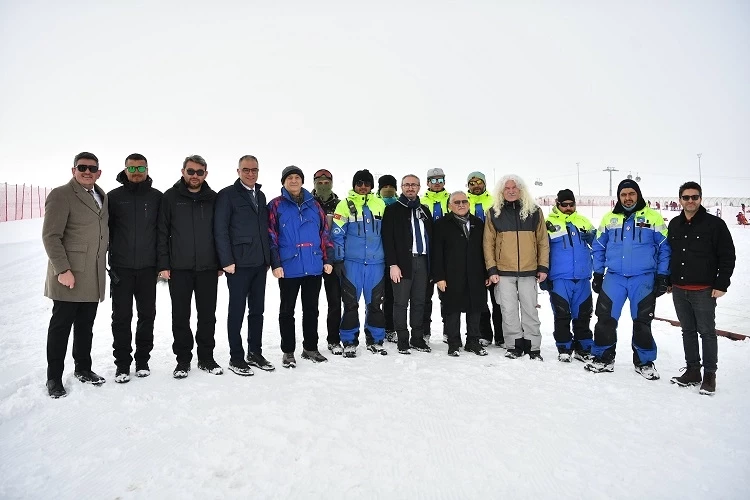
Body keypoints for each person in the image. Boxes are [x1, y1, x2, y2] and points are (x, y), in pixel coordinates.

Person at [584, 179, 671, 380]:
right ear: (619, 197)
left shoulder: (653, 217)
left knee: (642, 321)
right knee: (605, 318)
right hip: (614, 277)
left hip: (643, 278)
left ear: (638, 194)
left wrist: (663, 275)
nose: (628, 198)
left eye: (631, 193)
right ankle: (604, 358)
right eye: (623, 194)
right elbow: (598, 246)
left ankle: (644, 362)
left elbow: (665, 247)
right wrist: (598, 273)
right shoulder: (609, 218)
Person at [42, 152, 109, 398]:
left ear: (98, 172)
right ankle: (54, 378)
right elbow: (51, 236)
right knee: (61, 328)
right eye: (82, 167)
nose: (87, 171)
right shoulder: (61, 195)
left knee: (85, 326)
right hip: (69, 275)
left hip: (92, 275)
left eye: (92, 168)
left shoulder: (102, 196)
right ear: (73, 170)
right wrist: (63, 270)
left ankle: (83, 368)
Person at [158, 155, 223, 379]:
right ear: (183, 171)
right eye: (191, 171)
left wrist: (221, 262)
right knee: (180, 316)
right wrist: (164, 264)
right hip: (179, 268)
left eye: (199, 172)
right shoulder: (170, 197)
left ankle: (206, 358)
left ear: (206, 173)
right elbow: (161, 233)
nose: (195, 176)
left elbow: (220, 233)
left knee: (207, 315)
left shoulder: (213, 198)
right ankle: (183, 360)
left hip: (207, 268)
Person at [668, 182, 735, 395]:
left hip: (704, 290)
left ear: (700, 199)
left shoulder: (715, 225)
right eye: (686, 197)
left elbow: (727, 256)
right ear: (680, 199)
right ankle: (692, 371)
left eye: (694, 197)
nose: (690, 201)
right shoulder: (675, 224)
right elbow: (671, 254)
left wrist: (721, 283)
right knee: (687, 330)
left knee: (706, 332)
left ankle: (709, 376)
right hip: (679, 289)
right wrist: (669, 281)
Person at [268, 166, 334, 368]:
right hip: (289, 267)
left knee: (312, 309)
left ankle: (310, 348)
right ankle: (288, 351)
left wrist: (328, 259)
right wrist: (276, 263)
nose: (294, 181)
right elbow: (271, 236)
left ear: (303, 181)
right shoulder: (275, 205)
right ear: (284, 182)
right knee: (287, 311)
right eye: (290, 178)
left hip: (313, 265)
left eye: (297, 177)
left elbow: (325, 234)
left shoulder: (314, 205)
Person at [214, 155, 274, 376]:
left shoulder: (261, 194)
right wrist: (226, 260)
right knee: (237, 311)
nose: (251, 173)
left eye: (254, 170)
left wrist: (268, 259)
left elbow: (264, 229)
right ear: (238, 171)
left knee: (257, 311)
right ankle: (236, 357)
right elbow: (220, 230)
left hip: (259, 264)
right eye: (246, 169)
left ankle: (254, 353)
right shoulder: (227, 195)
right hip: (238, 265)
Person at [107, 153, 162, 383]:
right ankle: (122, 364)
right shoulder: (113, 197)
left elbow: (163, 233)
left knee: (146, 315)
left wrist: (162, 264)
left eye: (141, 169)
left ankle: (142, 361)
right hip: (121, 269)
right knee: (121, 317)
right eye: (132, 169)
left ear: (147, 170)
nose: (137, 173)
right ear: (125, 170)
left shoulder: (158, 198)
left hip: (148, 269)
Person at [483, 174, 549, 360]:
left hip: (529, 271)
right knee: (508, 310)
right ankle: (514, 345)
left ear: (521, 190)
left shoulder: (534, 211)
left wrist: (543, 266)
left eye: (514, 188)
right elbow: (488, 244)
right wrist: (492, 269)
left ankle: (533, 346)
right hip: (503, 272)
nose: (511, 191)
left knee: (530, 309)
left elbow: (543, 241)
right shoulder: (494, 212)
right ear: (501, 191)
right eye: (507, 188)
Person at [331, 169, 388, 357]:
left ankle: (375, 339)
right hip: (351, 263)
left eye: (366, 183)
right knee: (350, 304)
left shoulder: (380, 204)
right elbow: (337, 234)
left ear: (371, 186)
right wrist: (338, 259)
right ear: (354, 185)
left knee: (375, 304)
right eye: (359, 183)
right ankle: (349, 340)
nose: (363, 187)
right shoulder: (344, 205)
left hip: (376, 263)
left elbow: (388, 234)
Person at [431, 191, 488, 356]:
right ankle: (453, 343)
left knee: (475, 309)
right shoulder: (442, 224)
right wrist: (439, 276)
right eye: (456, 202)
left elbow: (484, 251)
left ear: (469, 204)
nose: (461, 205)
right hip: (451, 275)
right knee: (452, 310)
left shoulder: (478, 223)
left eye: (464, 201)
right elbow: (437, 253)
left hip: (475, 273)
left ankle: (473, 342)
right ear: (449, 205)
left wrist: (486, 273)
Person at [542, 189, 595, 362]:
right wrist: (543, 274)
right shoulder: (548, 223)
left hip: (582, 277)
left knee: (583, 315)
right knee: (562, 314)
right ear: (557, 204)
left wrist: (593, 237)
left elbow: (598, 245)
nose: (568, 207)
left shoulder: (583, 221)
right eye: (564, 205)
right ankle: (564, 347)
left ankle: (584, 347)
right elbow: (541, 250)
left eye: (571, 204)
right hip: (559, 278)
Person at [382, 174, 433, 354]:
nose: (410, 188)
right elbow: (387, 239)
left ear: (419, 187)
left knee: (420, 301)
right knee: (401, 302)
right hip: (403, 262)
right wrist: (392, 264)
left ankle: (417, 338)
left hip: (423, 261)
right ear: (401, 187)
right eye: (407, 185)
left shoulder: (424, 211)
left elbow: (430, 237)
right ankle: (403, 339)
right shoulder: (393, 209)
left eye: (414, 185)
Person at [466, 171, 503, 347]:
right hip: (474, 257)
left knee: (499, 299)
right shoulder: (464, 203)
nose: (476, 185)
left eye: (479, 182)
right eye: (472, 183)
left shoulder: (495, 201)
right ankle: (484, 334)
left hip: (495, 256)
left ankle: (502, 335)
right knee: (479, 299)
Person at [311, 169, 344, 355]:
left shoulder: (339, 205)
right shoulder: (308, 203)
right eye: (319, 182)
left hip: (334, 259)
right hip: (313, 259)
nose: (323, 185)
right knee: (311, 304)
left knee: (334, 301)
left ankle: (333, 339)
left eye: (326, 182)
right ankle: (311, 342)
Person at [420, 167, 450, 343]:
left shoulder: (451, 199)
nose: (437, 184)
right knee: (424, 297)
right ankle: (425, 331)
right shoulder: (422, 201)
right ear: (428, 183)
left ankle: (449, 330)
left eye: (440, 180)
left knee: (447, 295)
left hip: (447, 254)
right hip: (426, 254)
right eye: (433, 180)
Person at [377, 174, 399, 342]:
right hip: (377, 257)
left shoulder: (399, 204)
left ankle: (391, 327)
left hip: (395, 257)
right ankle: (380, 327)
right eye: (385, 186)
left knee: (393, 295)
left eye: (391, 186)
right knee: (378, 295)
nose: (388, 189)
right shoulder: (375, 204)